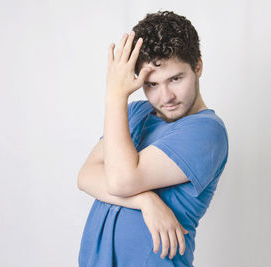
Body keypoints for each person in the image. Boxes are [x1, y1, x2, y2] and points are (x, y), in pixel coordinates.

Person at [77, 10, 229, 266]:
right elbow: (85, 176)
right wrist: (146, 200)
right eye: (152, 84)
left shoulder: (206, 131)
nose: (165, 96)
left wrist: (115, 96)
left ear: (198, 67)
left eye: (175, 79)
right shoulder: (134, 112)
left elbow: (122, 181)